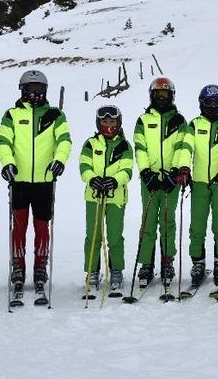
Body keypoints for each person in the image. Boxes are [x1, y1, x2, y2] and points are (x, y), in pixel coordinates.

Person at [0, 70, 72, 303]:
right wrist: (7, 163)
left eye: (39, 90)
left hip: (44, 182)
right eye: (30, 89)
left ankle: (40, 266)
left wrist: (60, 160)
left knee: (42, 227)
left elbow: (64, 140)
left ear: (45, 91)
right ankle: (17, 267)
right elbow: (3, 141)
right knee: (18, 228)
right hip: (18, 181)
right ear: (22, 90)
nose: (35, 94)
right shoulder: (12, 114)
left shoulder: (55, 115)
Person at [132, 77, 192, 288]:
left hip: (170, 180)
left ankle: (167, 261)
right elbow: (139, 147)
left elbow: (183, 147)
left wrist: (175, 172)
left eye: (164, 95)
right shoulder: (143, 120)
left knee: (167, 220)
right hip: (149, 180)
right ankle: (146, 263)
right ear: (151, 96)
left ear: (171, 96)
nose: (160, 99)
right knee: (148, 221)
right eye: (157, 95)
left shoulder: (179, 121)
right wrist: (146, 171)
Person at [186, 85, 218, 290]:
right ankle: (198, 263)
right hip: (199, 182)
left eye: (217, 103)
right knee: (197, 226)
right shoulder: (194, 124)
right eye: (209, 103)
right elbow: (186, 147)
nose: (213, 107)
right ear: (202, 104)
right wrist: (183, 167)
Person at [78, 105, 134, 296]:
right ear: (98, 123)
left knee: (115, 236)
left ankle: (116, 271)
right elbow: (84, 165)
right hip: (94, 197)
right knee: (93, 236)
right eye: (104, 122)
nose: (108, 125)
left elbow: (127, 170)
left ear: (118, 123)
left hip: (116, 198)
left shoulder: (124, 145)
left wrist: (114, 181)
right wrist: (92, 178)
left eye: (112, 122)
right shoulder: (91, 144)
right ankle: (92, 272)